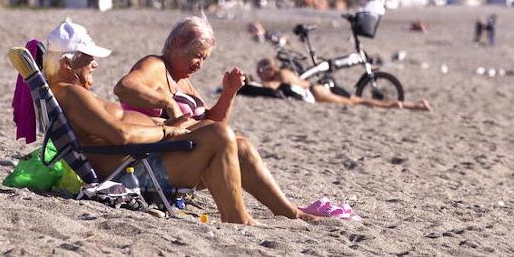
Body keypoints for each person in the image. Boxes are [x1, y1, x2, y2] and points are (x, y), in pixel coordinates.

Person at [42, 20, 316, 224]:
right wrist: (167, 130)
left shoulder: (72, 93)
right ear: (67, 64)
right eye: (89, 59)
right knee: (219, 136)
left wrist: (177, 127)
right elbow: (121, 135)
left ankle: (289, 212)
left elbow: (119, 132)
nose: (95, 64)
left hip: (142, 161)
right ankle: (238, 219)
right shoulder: (70, 93)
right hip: (136, 173)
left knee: (239, 145)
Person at [113, 16, 237, 125]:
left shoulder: (182, 80)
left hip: (188, 145)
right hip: (157, 147)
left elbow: (212, 123)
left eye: (204, 59)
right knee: (237, 143)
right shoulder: (156, 66)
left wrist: (229, 92)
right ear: (177, 43)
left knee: (241, 143)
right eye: (198, 56)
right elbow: (124, 87)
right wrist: (168, 103)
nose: (200, 65)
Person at [241, 58, 432, 111]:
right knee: (359, 100)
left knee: (357, 103)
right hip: (321, 87)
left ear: (270, 69)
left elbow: (273, 88)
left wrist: (251, 84)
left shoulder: (280, 75)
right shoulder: (285, 72)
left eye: (261, 69)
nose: (260, 73)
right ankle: (411, 105)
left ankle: (404, 105)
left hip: (316, 92)